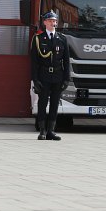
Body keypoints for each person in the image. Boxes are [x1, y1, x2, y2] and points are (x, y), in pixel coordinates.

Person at [30, 11, 70, 140]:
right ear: (45, 22)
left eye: (55, 21)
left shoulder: (62, 39)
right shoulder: (38, 39)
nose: (53, 23)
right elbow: (34, 62)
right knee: (42, 103)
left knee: (54, 104)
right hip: (44, 75)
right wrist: (35, 80)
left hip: (58, 76)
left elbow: (66, 60)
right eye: (51, 21)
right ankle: (42, 131)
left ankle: (51, 131)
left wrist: (66, 79)